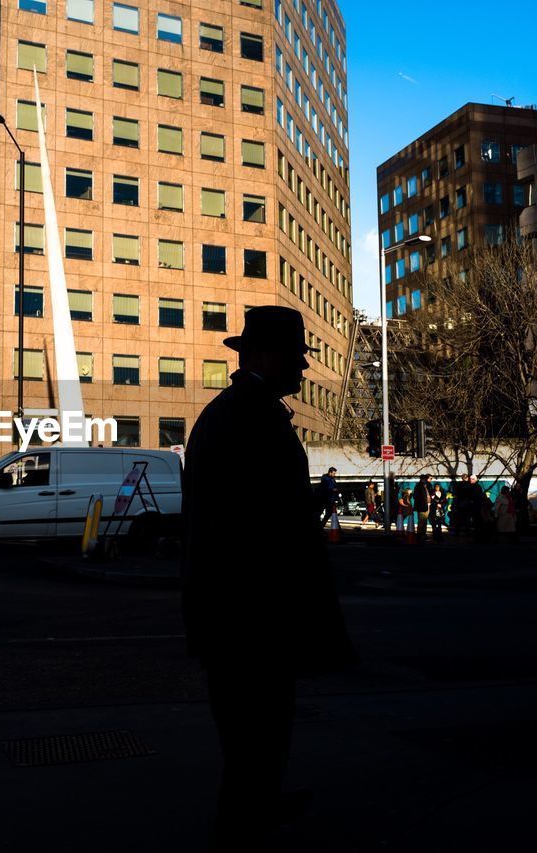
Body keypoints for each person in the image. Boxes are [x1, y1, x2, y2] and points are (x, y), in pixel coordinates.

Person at [181, 306, 357, 850]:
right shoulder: (250, 418)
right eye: (296, 358)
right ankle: (245, 823)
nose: (303, 370)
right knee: (256, 732)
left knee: (252, 736)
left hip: (238, 613)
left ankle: (256, 807)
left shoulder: (237, 413)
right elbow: (263, 530)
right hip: (251, 616)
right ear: (265, 356)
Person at [413, 473, 431, 545]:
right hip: (422, 506)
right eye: (424, 479)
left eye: (426, 479)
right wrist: (423, 502)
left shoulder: (426, 486)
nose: (426, 480)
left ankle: (423, 534)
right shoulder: (419, 486)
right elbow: (416, 496)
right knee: (421, 521)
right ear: (421, 479)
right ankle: (420, 535)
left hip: (426, 505)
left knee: (424, 521)